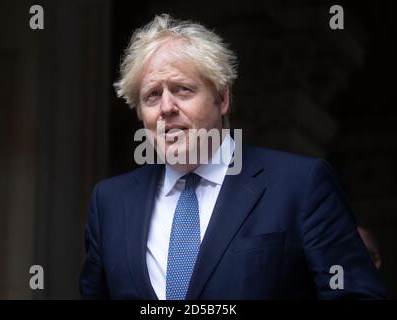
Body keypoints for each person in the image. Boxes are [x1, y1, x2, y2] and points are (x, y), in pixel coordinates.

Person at [79, 14, 386, 299]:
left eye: (183, 89)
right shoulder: (109, 203)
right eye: (152, 95)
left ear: (222, 98)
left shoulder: (300, 185)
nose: (166, 107)